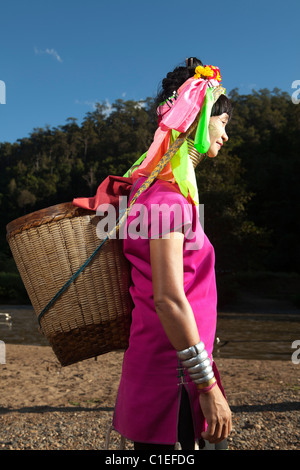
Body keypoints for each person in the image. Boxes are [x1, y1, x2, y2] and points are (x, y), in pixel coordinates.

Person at [111, 57, 233, 450]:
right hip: (174, 377)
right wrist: (209, 386)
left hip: (171, 365)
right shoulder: (167, 198)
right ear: (198, 115)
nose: (225, 135)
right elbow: (167, 297)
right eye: (223, 122)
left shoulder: (150, 191)